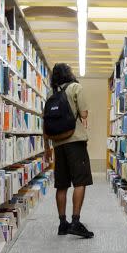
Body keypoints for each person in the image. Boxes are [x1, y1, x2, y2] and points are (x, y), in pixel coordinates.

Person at [46, 63, 94, 238]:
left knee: (62, 184)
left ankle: (62, 223)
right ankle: (75, 221)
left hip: (58, 144)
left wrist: (46, 148)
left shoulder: (50, 93)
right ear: (69, 73)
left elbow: (46, 122)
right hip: (75, 141)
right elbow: (84, 114)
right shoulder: (75, 88)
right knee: (80, 181)